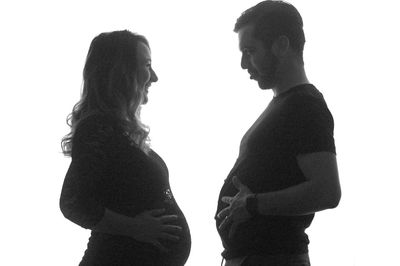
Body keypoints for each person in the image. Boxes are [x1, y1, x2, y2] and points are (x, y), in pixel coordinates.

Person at [215, 1, 341, 265]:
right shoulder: (285, 104)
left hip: (275, 257)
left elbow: (327, 191)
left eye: (250, 51)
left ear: (281, 45)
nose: (242, 63)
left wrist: (252, 204)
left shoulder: (305, 106)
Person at [60, 30, 191, 266]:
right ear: (121, 71)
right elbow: (72, 202)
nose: (154, 77)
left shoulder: (118, 132)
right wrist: (135, 228)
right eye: (147, 65)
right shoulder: (97, 127)